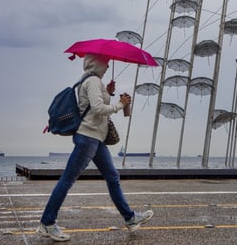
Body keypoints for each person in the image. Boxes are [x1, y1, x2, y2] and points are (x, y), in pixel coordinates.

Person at [36, 54, 153, 242]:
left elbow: (94, 103)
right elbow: (98, 109)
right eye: (105, 63)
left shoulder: (95, 82)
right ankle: (47, 223)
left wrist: (108, 91)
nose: (107, 67)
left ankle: (130, 219)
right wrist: (119, 105)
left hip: (95, 139)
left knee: (113, 177)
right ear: (97, 63)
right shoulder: (92, 81)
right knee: (67, 180)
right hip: (87, 137)